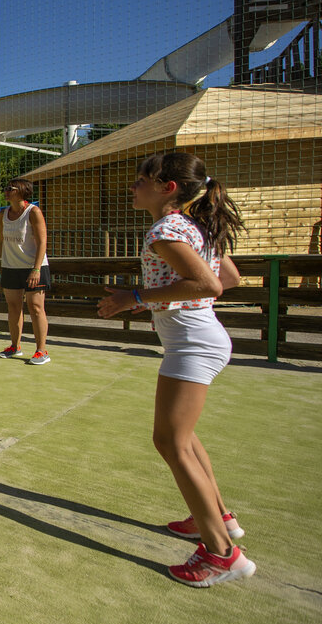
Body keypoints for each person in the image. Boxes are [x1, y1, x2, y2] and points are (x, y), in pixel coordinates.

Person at [97, 152, 253, 588]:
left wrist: (135, 297)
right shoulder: (193, 227)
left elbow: (211, 285)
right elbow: (232, 278)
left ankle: (222, 554)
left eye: (142, 180)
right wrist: (166, 295)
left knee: (169, 442)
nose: (133, 187)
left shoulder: (167, 229)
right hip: (197, 337)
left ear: (167, 188)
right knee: (182, 438)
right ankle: (221, 516)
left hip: (192, 343)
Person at [0, 177, 51, 364]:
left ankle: (41, 351)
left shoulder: (33, 212)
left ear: (21, 191)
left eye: (9, 188)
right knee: (13, 308)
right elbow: (1, 242)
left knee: (36, 308)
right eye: (5, 188)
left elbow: (42, 242)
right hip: (11, 267)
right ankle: (15, 347)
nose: (5, 191)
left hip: (33, 268)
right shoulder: (3, 214)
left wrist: (36, 269)